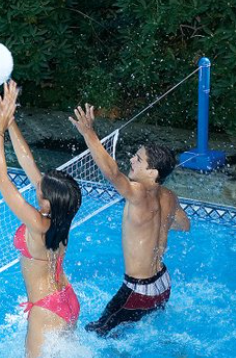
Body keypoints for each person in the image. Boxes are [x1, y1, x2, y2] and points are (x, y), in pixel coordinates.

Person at [69, 104, 191, 336]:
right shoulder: (170, 196)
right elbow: (185, 226)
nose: (132, 160)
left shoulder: (137, 194)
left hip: (139, 291)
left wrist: (88, 133)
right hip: (163, 283)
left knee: (95, 334)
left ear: (152, 173)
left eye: (138, 159)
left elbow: (112, 173)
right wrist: (156, 224)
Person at [0, 81, 82, 358]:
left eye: (40, 190)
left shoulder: (38, 224)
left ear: (48, 201)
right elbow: (27, 160)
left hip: (45, 308)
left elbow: (1, 178)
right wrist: (10, 121)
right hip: (66, 299)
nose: (36, 187)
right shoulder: (60, 219)